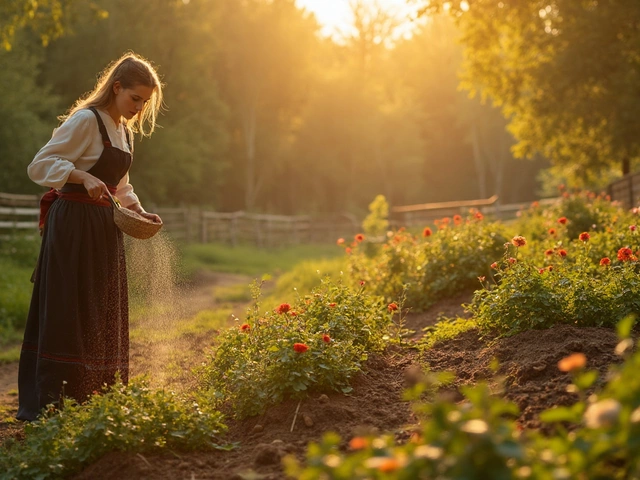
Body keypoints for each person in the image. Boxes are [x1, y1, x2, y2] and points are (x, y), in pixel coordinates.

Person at [17, 52, 163, 421]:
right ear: (116, 87)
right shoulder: (86, 120)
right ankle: (55, 402)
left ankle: (95, 398)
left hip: (103, 229)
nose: (138, 107)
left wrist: (138, 210)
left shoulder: (123, 131)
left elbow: (121, 186)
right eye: (135, 99)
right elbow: (40, 164)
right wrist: (82, 177)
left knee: (100, 307)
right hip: (72, 227)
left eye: (144, 102)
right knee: (71, 306)